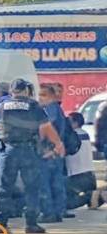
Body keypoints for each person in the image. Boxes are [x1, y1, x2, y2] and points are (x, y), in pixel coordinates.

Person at [0, 78, 65, 234]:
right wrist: (58, 144)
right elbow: (47, 127)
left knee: (4, 188)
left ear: (12, 91)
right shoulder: (33, 106)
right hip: (29, 151)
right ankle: (31, 223)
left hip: (9, 151)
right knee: (32, 188)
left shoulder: (2, 106)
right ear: (25, 91)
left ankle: (0, 223)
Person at [38, 83, 69, 223]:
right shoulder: (56, 108)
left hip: (49, 152)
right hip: (56, 151)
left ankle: (49, 213)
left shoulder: (50, 109)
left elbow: (49, 128)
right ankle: (58, 211)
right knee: (56, 183)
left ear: (49, 95)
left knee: (45, 183)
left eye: (42, 95)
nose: (39, 98)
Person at [65, 112, 96, 209]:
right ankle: (94, 197)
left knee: (64, 203)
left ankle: (90, 196)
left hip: (77, 176)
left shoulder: (72, 136)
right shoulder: (85, 134)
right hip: (90, 176)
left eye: (68, 121)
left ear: (75, 123)